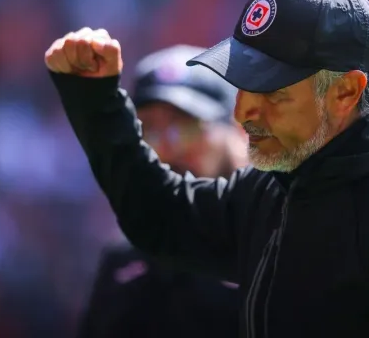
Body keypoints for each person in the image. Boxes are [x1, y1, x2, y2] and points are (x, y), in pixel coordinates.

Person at [46, 0, 369, 337]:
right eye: (242, 83)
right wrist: (97, 101)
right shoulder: (277, 184)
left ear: (345, 92)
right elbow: (160, 217)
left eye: (273, 93)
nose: (244, 110)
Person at [76, 45, 245, 338]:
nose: (168, 147)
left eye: (187, 125)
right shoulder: (125, 265)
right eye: (149, 130)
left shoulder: (290, 245)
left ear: (240, 129)